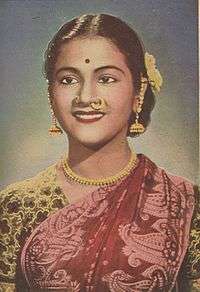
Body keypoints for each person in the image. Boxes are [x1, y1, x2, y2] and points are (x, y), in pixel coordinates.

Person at [0, 14, 199, 292]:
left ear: (138, 90)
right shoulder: (18, 205)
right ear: (51, 94)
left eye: (106, 78)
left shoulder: (184, 201)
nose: (86, 97)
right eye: (68, 80)